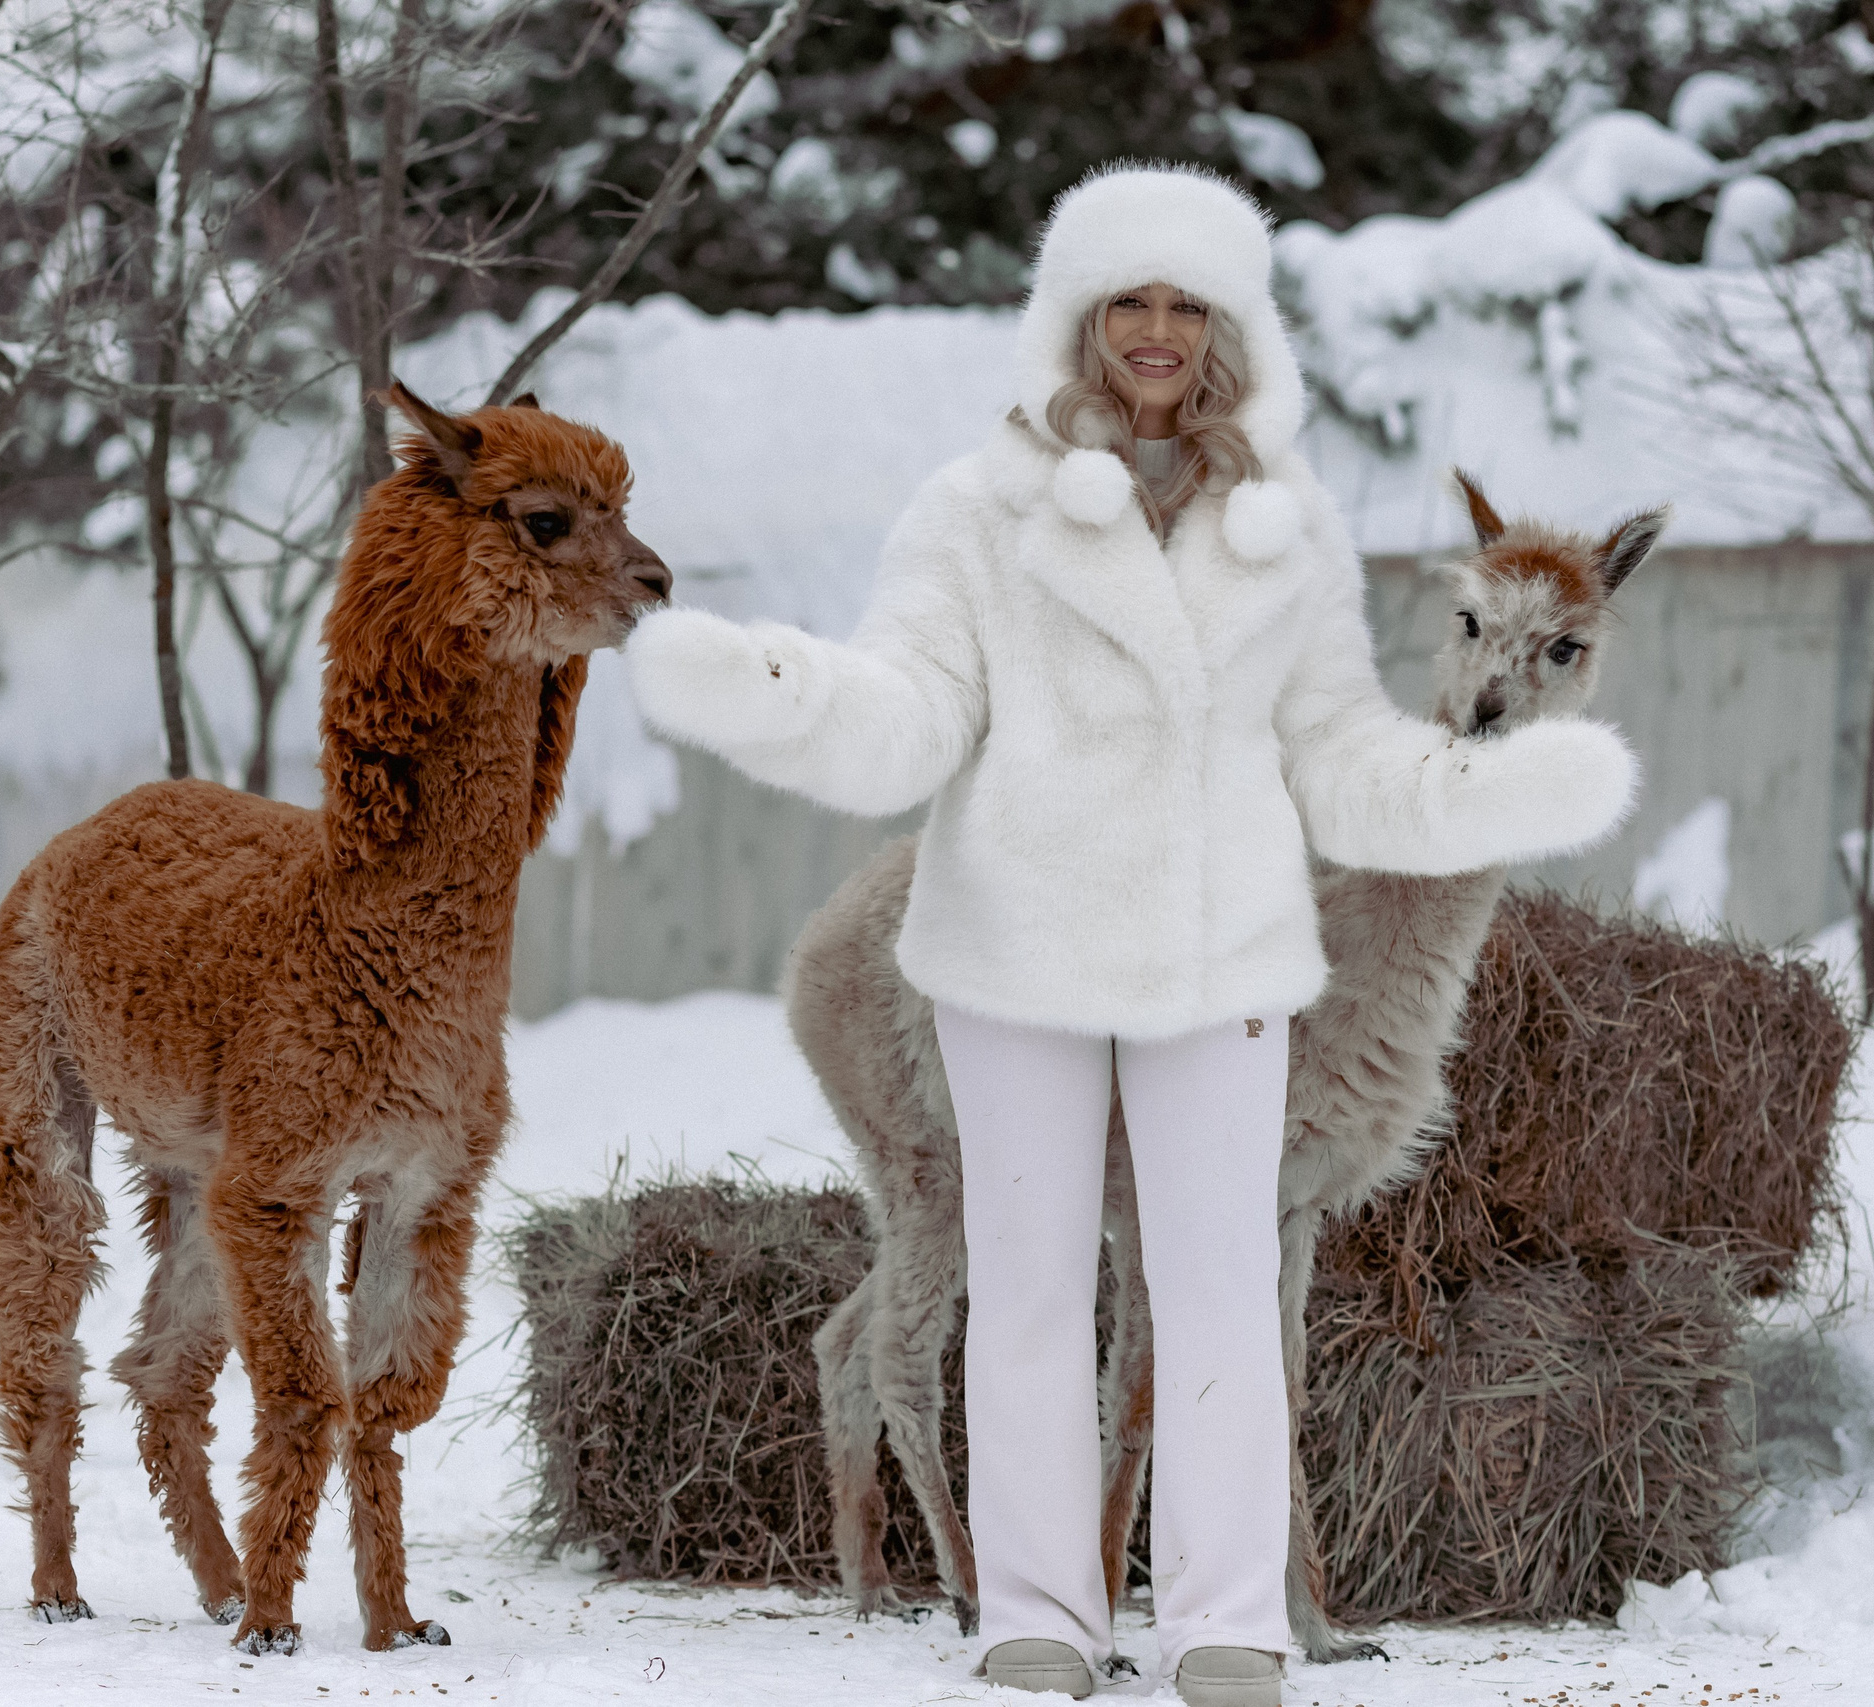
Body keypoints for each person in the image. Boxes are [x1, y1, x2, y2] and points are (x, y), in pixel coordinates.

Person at [622, 163, 1637, 1706]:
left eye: (1188, 306)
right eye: (1129, 303)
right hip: (1014, 948)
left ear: (1230, 334)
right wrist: (780, 695)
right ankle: (1038, 1611)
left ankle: (1225, 1618)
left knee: (1222, 1281)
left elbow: (1343, 754)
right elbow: (907, 711)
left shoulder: (1286, 535)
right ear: (1078, 320)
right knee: (1028, 1279)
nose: (1156, 333)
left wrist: (1491, 792)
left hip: (1220, 958)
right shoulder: (972, 511)